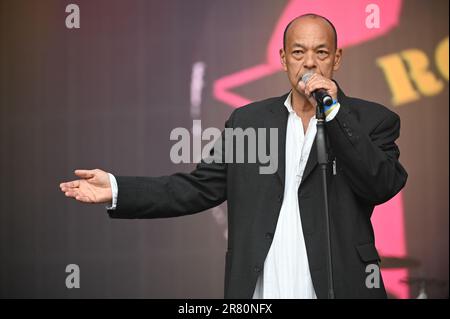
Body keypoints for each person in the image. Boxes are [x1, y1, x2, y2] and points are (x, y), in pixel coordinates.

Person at [59, 14, 408, 299]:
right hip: (261, 290)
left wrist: (334, 115)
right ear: (284, 59)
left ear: (337, 58)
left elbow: (380, 184)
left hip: (339, 286)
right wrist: (118, 189)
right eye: (298, 52)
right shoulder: (249, 121)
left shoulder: (371, 120)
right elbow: (199, 188)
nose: (310, 63)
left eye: (321, 52)